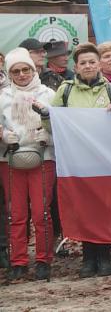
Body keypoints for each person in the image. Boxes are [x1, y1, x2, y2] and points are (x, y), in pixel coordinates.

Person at [48, 43, 111, 278]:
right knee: (83, 209)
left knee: (103, 208)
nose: (88, 66)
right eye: (83, 63)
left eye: (92, 61)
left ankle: (104, 256)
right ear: (76, 66)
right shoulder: (66, 90)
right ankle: (88, 257)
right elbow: (51, 121)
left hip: (103, 161)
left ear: (99, 64)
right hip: (77, 161)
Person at [0, 48, 56, 281]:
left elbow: (61, 124)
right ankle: (18, 260)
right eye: (16, 71)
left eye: (26, 69)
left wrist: (48, 135)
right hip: (10, 159)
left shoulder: (48, 93)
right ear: (9, 73)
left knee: (42, 212)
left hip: (42, 156)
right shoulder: (2, 96)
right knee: (16, 214)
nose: (22, 74)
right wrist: (2, 134)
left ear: (34, 70)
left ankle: (44, 259)